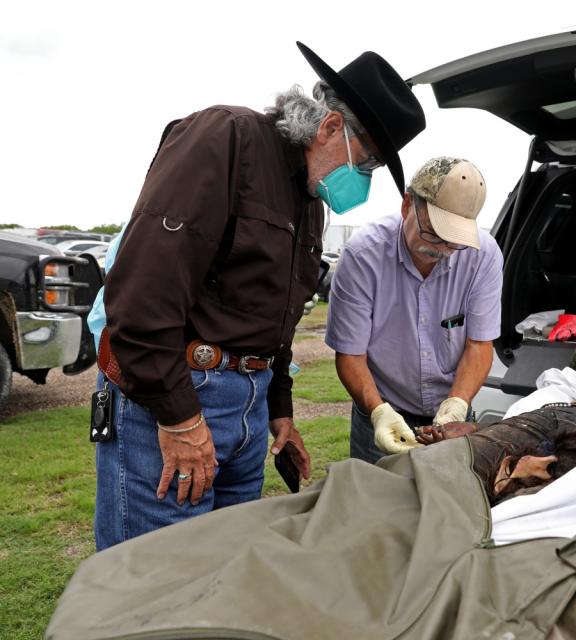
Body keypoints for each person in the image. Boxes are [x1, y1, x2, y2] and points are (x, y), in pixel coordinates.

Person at [93, 43, 426, 551]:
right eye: (371, 163)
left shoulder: (310, 200)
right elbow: (143, 292)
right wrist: (180, 419)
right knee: (155, 579)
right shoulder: (226, 137)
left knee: (225, 574)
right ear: (331, 127)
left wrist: (279, 411)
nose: (366, 179)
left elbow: (274, 319)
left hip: (245, 408)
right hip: (175, 395)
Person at [325, 157, 504, 463]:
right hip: (381, 408)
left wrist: (457, 404)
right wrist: (379, 412)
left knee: (451, 504)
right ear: (408, 205)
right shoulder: (363, 255)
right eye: (433, 233)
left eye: (454, 241)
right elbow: (351, 355)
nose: (441, 249)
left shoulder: (482, 256)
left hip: (451, 416)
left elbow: (479, 344)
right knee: (375, 505)